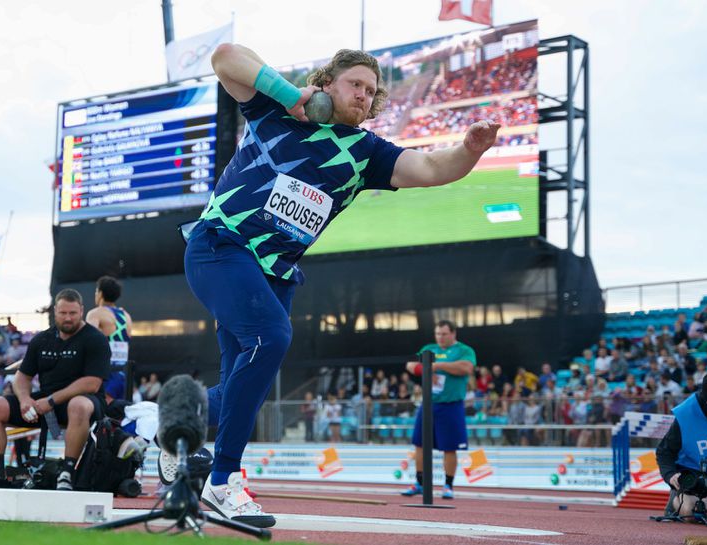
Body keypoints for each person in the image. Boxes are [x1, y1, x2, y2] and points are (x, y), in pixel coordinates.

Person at [183, 43, 499, 527]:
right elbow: (225, 57)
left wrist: (470, 150)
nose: (363, 97)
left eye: (371, 92)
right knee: (270, 338)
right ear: (328, 83)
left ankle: (162, 424)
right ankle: (223, 479)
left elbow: (432, 169)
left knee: (238, 386)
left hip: (274, 272)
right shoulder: (274, 108)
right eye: (355, 85)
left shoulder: (367, 152)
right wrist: (290, 96)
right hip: (221, 247)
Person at [0, 289, 121, 491]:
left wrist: (52, 400)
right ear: (55, 311)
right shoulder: (42, 339)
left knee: (78, 405)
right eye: (63, 313)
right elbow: (22, 376)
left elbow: (92, 383)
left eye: (73, 313)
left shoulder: (95, 338)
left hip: (85, 401)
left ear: (81, 311)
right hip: (45, 402)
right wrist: (25, 399)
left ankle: (67, 473)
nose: (68, 318)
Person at [401, 320, 477, 499]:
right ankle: (420, 483)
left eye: (444, 334)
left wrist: (437, 366)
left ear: (453, 334)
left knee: (449, 447)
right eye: (437, 334)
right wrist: (426, 370)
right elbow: (410, 365)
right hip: (428, 403)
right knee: (419, 444)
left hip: (451, 405)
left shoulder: (464, 350)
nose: (440, 338)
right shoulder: (429, 348)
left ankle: (448, 485)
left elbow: (466, 368)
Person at [656, 371, 707, 519]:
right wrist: (671, 475)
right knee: (691, 512)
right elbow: (664, 452)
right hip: (698, 480)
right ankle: (678, 501)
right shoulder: (687, 413)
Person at [84, 275, 133, 402]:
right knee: (120, 418)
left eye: (96, 291)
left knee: (99, 416)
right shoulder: (126, 315)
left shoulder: (95, 313)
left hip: (106, 376)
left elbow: (87, 342)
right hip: (124, 375)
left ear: (100, 293)